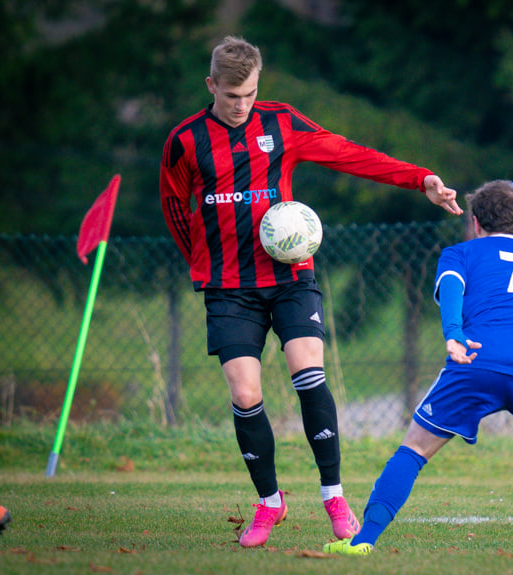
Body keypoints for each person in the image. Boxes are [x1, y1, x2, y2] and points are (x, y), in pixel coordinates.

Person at [159, 36, 462, 548]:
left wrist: (421, 179)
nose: (241, 105)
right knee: (245, 392)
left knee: (309, 373)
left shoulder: (280, 123)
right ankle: (269, 504)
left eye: (250, 94)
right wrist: (202, 263)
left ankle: (334, 495)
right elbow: (173, 204)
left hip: (289, 277)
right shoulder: (185, 140)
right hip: (229, 287)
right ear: (211, 85)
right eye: (232, 95)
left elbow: (348, 154)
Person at [322, 180, 513, 558]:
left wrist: (454, 333)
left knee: (413, 450)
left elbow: (453, 288)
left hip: (476, 359)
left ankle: (363, 541)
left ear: (475, 223)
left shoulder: (459, 254)